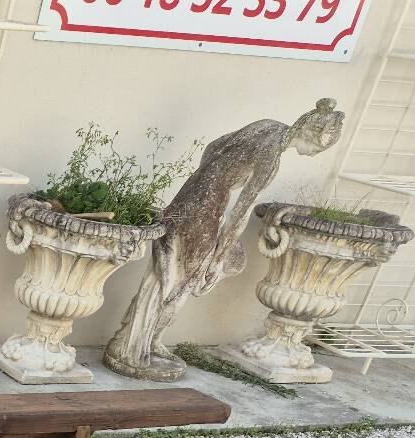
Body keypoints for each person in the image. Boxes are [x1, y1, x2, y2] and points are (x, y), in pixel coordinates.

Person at [104, 99, 345, 381]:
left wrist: (212, 178)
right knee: (179, 285)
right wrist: (219, 257)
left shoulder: (266, 126)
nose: (314, 154)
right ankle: (135, 347)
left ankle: (143, 339)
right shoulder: (270, 160)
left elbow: (215, 146)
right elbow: (239, 214)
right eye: (318, 148)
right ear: (309, 132)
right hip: (205, 211)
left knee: (164, 275)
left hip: (188, 195)